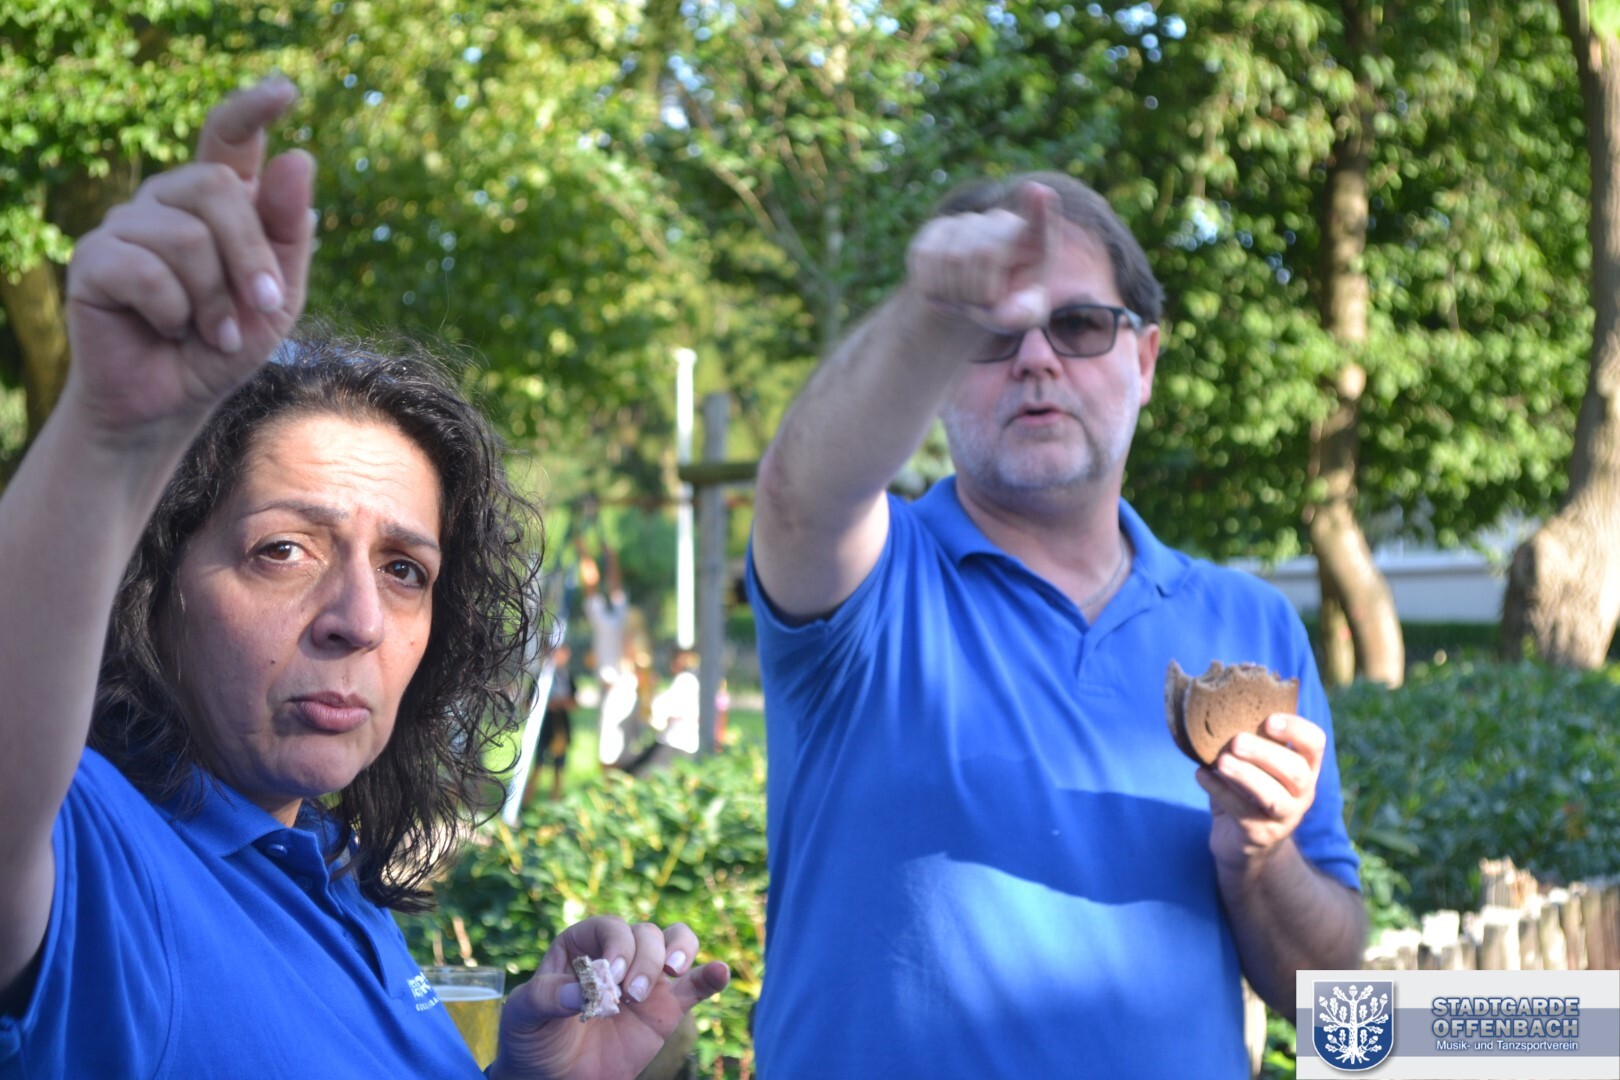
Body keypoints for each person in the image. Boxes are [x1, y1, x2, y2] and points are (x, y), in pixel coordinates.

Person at [0, 78, 727, 1080]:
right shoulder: (90, 854)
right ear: (150, 585)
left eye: (404, 570)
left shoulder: (324, 869)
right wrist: (109, 429)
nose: (358, 619)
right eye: (283, 550)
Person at [746, 172, 1366, 1076]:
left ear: (1144, 361)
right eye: (989, 333)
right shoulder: (870, 585)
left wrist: (1262, 858)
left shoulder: (1254, 624)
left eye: (1078, 325)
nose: (1036, 357)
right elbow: (798, 498)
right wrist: (930, 310)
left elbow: (1328, 991)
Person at [577, 539, 638, 768]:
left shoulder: (603, 621)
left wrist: (584, 553)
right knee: (621, 749)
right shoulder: (619, 615)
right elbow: (614, 586)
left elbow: (591, 584)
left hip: (615, 687)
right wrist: (611, 557)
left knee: (609, 752)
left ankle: (610, 784)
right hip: (626, 685)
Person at [523, 642, 578, 805]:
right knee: (537, 764)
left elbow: (574, 702)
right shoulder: (540, 676)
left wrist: (563, 703)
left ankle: (555, 800)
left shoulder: (567, 676)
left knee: (559, 767)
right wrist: (546, 704)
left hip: (560, 725)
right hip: (543, 725)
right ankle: (526, 801)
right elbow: (527, 704)